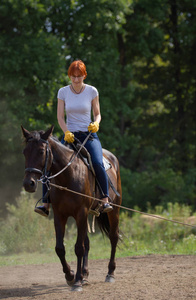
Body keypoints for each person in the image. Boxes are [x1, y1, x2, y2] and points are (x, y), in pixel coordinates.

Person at [35, 60, 113, 217]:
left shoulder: (92, 91)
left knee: (97, 162)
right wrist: (66, 132)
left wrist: (96, 123)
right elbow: (60, 117)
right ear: (69, 76)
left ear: (84, 75)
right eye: (73, 76)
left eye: (79, 76)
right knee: (49, 163)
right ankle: (45, 204)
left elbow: (97, 114)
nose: (76, 80)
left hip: (89, 135)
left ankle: (104, 199)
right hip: (70, 136)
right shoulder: (63, 92)